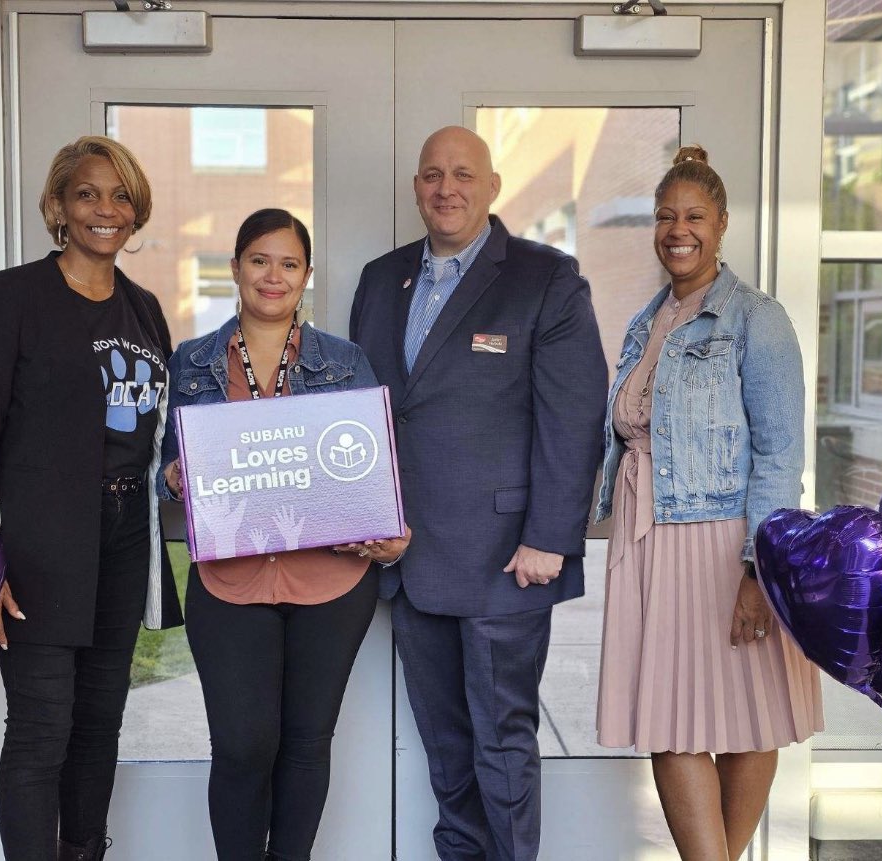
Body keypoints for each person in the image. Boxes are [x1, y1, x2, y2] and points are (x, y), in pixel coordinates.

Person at [350, 127, 608, 860]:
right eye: (432, 174)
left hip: (505, 560)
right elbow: (361, 410)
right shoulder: (380, 279)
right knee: (446, 749)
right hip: (406, 557)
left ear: (492, 186)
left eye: (464, 173)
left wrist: (551, 536)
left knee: (501, 746)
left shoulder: (545, 279)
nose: (446, 188)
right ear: (415, 187)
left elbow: (573, 414)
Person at [0, 136, 182, 861]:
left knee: (98, 722)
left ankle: (85, 851)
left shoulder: (145, 310)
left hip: (122, 543)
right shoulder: (13, 295)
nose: (105, 209)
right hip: (39, 545)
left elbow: (158, 433)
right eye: (88, 193)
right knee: (41, 727)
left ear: (135, 209)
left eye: (119, 195)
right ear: (58, 206)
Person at [159, 208, 411, 861]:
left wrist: (388, 526)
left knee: (305, 741)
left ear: (306, 276)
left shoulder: (345, 360)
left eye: (289, 263)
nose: (274, 276)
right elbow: (168, 466)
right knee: (243, 743)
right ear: (237, 266)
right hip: (229, 577)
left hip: (330, 580)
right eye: (260, 260)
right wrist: (175, 473)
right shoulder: (192, 361)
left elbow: (368, 462)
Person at [594, 145, 824, 860]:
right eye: (665, 216)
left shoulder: (757, 318)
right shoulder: (647, 319)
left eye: (694, 215)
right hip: (650, 537)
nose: (677, 229)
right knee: (669, 721)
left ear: (721, 223)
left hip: (726, 543)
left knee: (749, 718)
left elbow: (782, 453)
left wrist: (760, 567)